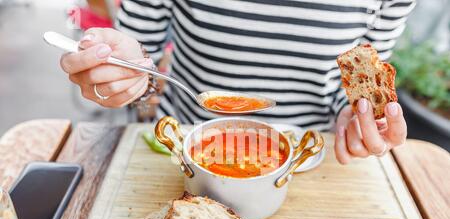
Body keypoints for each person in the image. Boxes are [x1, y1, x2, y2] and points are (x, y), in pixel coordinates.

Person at [60, 0, 414, 164]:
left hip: (307, 157)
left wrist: (357, 118)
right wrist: (129, 79)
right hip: (185, 152)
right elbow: (142, 60)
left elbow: (361, 78)